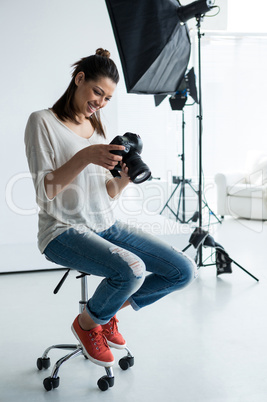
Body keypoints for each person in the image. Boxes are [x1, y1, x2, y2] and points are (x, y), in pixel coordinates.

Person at [25, 48, 197, 368]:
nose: (100, 103)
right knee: (132, 269)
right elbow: (44, 190)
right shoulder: (42, 122)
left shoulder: (98, 127)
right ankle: (88, 324)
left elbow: (104, 191)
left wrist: (125, 180)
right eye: (97, 93)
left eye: (107, 99)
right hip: (62, 230)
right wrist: (87, 156)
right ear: (79, 80)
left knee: (183, 271)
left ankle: (103, 314)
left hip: (105, 224)